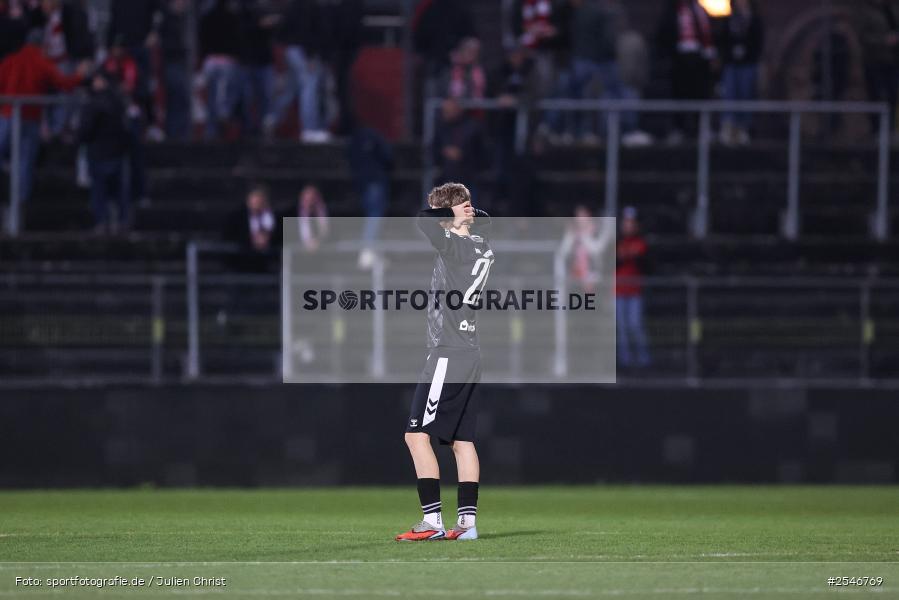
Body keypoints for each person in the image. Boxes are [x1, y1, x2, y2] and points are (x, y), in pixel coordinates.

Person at [396, 182, 492, 542]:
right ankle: (467, 525)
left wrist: (450, 214)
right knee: (462, 440)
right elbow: (483, 223)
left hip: (447, 352)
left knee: (416, 435)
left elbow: (424, 221)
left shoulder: (452, 246)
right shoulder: (482, 245)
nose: (469, 208)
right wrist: (469, 214)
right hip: (470, 351)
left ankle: (432, 521)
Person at [0, 28, 85, 208]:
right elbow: (65, 84)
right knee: (24, 162)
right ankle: (19, 203)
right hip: (29, 119)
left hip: (7, 116)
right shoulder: (41, 62)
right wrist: (79, 74)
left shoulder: (11, 60)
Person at [265, 0, 328, 142]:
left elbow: (282, 30)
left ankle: (272, 118)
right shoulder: (310, 6)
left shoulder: (293, 5)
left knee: (290, 90)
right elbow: (308, 31)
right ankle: (309, 129)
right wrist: (311, 56)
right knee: (309, 88)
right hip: (303, 52)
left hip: (291, 50)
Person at [656, 0, 716, 143]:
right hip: (679, 59)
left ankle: (700, 128)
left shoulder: (699, 10)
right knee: (679, 94)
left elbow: (707, 34)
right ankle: (679, 128)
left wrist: (709, 55)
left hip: (698, 59)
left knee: (700, 94)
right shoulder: (672, 10)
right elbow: (664, 34)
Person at [78, 68, 130, 233]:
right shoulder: (118, 102)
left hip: (98, 152)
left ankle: (102, 221)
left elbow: (85, 131)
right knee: (118, 191)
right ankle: (122, 220)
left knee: (99, 191)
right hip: (116, 152)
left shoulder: (92, 104)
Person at [348, 125, 393, 267]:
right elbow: (388, 157)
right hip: (374, 182)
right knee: (375, 214)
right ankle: (367, 251)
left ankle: (372, 250)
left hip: (362, 183)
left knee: (374, 215)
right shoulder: (375, 138)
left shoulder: (355, 140)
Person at [719, 0, 763, 146]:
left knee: (745, 95)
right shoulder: (729, 20)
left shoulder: (754, 19)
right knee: (730, 95)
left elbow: (758, 41)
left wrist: (748, 54)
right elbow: (723, 40)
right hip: (731, 64)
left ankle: (743, 129)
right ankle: (729, 129)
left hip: (748, 64)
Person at [199, 0, 243, 140]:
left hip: (211, 61)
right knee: (230, 95)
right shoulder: (233, 17)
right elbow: (237, 39)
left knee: (212, 97)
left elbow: (201, 39)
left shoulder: (206, 17)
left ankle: (211, 129)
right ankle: (224, 115)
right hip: (227, 61)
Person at [615, 206, 650, 368]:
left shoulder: (641, 242)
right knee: (621, 327)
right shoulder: (616, 242)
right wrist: (625, 255)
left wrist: (630, 255)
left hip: (635, 291)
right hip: (618, 291)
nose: (628, 226)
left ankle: (643, 358)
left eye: (631, 223)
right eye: (626, 222)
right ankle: (625, 360)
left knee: (635, 325)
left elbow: (645, 263)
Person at [432, 98, 485, 202]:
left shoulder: (473, 127)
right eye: (444, 111)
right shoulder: (441, 128)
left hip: (469, 176)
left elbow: (482, 153)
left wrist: (463, 154)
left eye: (448, 111)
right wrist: (444, 151)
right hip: (445, 177)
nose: (445, 114)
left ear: (458, 110)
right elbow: (434, 148)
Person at [858, 0, 899, 134]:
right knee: (876, 94)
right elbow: (863, 37)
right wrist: (884, 41)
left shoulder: (893, 8)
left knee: (893, 94)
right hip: (875, 60)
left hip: (893, 60)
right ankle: (876, 130)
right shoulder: (866, 11)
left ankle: (891, 128)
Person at [224, 183, 277, 271]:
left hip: (263, 264)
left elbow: (276, 237)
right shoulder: (236, 218)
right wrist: (252, 240)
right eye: (255, 199)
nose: (257, 203)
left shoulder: (270, 217)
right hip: (241, 263)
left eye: (260, 200)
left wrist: (267, 238)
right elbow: (230, 238)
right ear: (248, 200)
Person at [158, 0, 191, 140]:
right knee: (177, 99)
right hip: (173, 63)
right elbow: (167, 44)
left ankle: (179, 135)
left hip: (179, 63)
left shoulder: (181, 20)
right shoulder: (168, 20)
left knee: (181, 101)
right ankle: (175, 136)